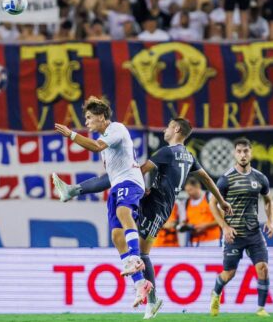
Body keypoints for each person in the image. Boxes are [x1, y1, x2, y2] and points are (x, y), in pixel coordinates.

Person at [53, 117, 231, 319]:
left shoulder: (167, 152)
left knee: (141, 251)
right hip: (155, 201)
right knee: (121, 232)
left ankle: (151, 296)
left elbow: (141, 169)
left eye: (168, 126)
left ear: (176, 129)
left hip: (158, 206)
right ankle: (146, 291)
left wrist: (134, 182)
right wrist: (222, 201)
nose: (165, 129)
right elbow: (207, 179)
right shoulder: (189, 156)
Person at [54, 97, 153, 309]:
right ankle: (141, 283)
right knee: (117, 236)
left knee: (123, 213)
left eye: (89, 118)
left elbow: (96, 147)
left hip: (130, 182)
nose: (87, 122)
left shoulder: (116, 129)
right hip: (118, 185)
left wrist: (71, 134)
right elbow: (104, 180)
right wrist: (75, 190)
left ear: (101, 117)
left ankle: (136, 258)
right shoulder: (108, 143)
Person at [208, 137, 273, 317]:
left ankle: (261, 308)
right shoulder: (226, 179)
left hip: (254, 233)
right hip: (233, 234)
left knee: (263, 268)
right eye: (239, 151)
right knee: (229, 273)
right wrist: (224, 227)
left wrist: (270, 220)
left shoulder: (260, 178)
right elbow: (212, 203)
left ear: (251, 153)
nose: (243, 155)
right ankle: (216, 293)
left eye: (246, 151)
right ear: (234, 154)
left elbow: (268, 200)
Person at [179, 176, 221, 247]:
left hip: (212, 241)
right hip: (194, 242)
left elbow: (221, 219)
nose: (188, 193)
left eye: (190, 190)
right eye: (187, 191)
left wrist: (205, 226)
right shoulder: (186, 203)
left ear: (197, 187)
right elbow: (184, 221)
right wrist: (185, 226)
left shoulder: (210, 198)